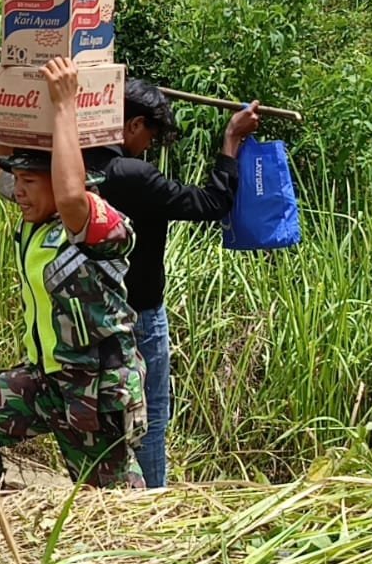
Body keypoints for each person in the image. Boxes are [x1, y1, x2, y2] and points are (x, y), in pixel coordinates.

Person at [0, 57, 148, 491]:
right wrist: (7, 84)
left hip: (94, 391)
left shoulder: (99, 224)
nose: (17, 191)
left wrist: (65, 104)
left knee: (110, 505)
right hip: (46, 379)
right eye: (16, 180)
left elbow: (71, 196)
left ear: (58, 178)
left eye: (30, 182)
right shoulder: (34, 217)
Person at [83, 80, 260, 488]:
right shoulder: (132, 174)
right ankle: (152, 501)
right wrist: (231, 139)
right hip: (138, 314)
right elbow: (209, 203)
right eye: (150, 134)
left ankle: (104, 493)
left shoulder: (71, 166)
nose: (149, 145)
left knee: (99, 411)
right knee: (149, 413)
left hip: (87, 313)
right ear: (133, 125)